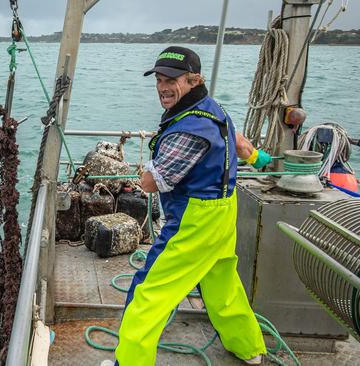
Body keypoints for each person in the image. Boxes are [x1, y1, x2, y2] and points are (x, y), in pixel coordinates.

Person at [111, 46, 270, 366]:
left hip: (193, 219)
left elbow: (151, 182)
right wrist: (257, 157)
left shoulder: (187, 129)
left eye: (171, 79)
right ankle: (249, 348)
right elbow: (239, 144)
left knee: (149, 291)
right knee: (222, 281)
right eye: (158, 78)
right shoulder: (215, 109)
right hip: (224, 210)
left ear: (194, 80)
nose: (162, 87)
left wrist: (145, 169)